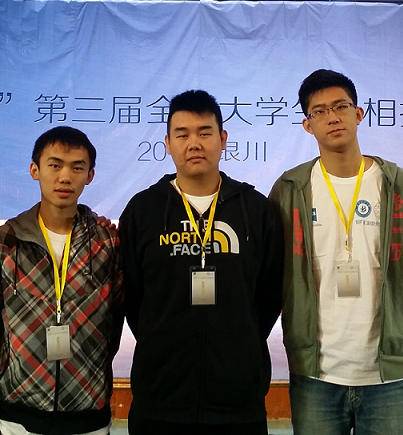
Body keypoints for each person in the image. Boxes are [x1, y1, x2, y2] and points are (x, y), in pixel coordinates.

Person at [269, 69, 403, 435]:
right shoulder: (289, 190)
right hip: (315, 374)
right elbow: (277, 271)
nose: (332, 117)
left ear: (358, 114)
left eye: (340, 106)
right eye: (319, 111)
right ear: (307, 125)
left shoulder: (401, 186)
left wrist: (396, 310)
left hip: (388, 374)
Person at [119, 89, 283, 435]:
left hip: (237, 402)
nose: (194, 143)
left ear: (223, 139)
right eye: (182, 134)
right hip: (160, 398)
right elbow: (132, 297)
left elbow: (270, 294)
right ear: (167, 143)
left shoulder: (255, 209)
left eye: (204, 133)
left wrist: (240, 342)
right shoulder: (143, 210)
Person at [0, 127, 123, 435]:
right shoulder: (5, 241)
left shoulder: (107, 242)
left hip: (88, 413)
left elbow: (114, 319)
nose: (65, 177)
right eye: (55, 165)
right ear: (35, 170)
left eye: (77, 167)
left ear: (90, 175)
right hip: (20, 413)